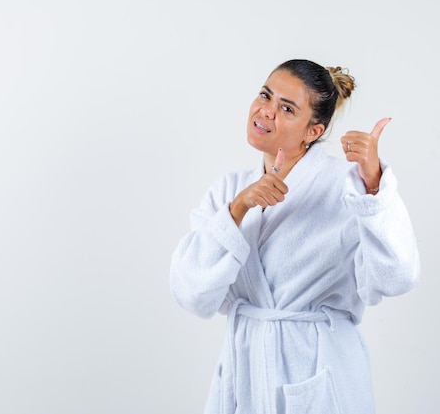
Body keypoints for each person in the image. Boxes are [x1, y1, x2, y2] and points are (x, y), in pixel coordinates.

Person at [169, 59, 420, 414]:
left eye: (286, 108)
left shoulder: (347, 186)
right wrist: (239, 208)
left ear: (313, 132)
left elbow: (397, 277)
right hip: (244, 374)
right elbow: (190, 292)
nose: (266, 112)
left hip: (317, 371)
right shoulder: (227, 191)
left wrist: (375, 186)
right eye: (264, 96)